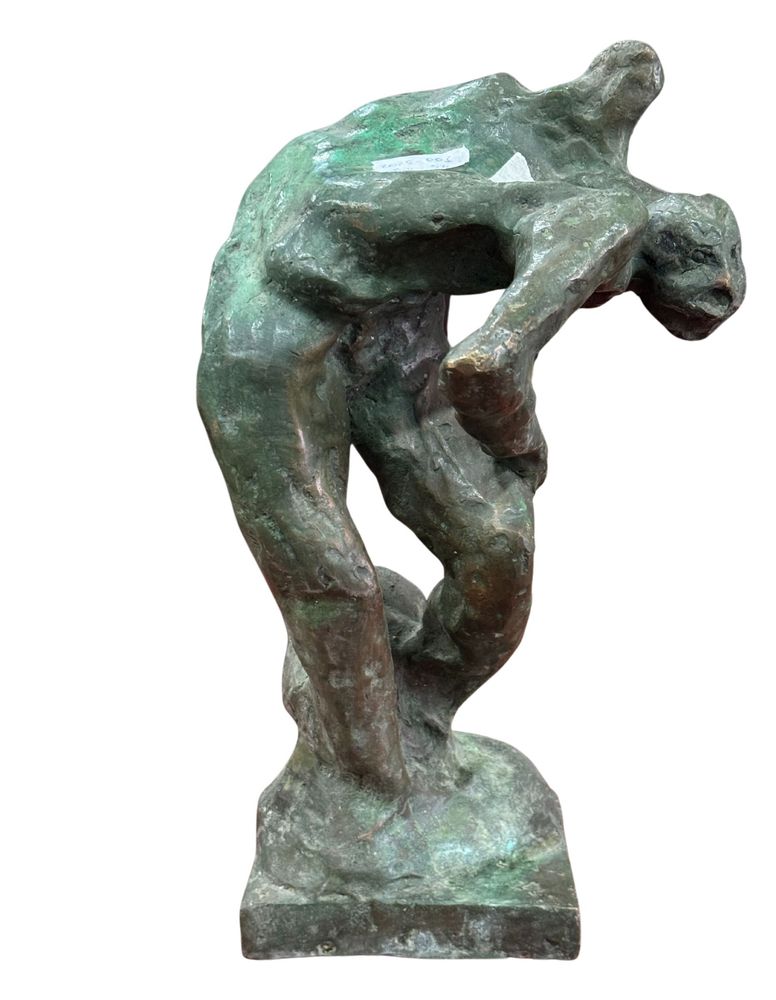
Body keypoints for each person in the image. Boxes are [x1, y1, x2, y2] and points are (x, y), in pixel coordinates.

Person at [198, 41, 745, 798]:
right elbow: (485, 366)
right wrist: (524, 447)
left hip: (386, 299)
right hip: (272, 310)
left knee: (495, 550)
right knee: (335, 583)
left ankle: (393, 702)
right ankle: (368, 785)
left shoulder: (599, 129)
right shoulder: (603, 222)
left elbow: (628, 64)